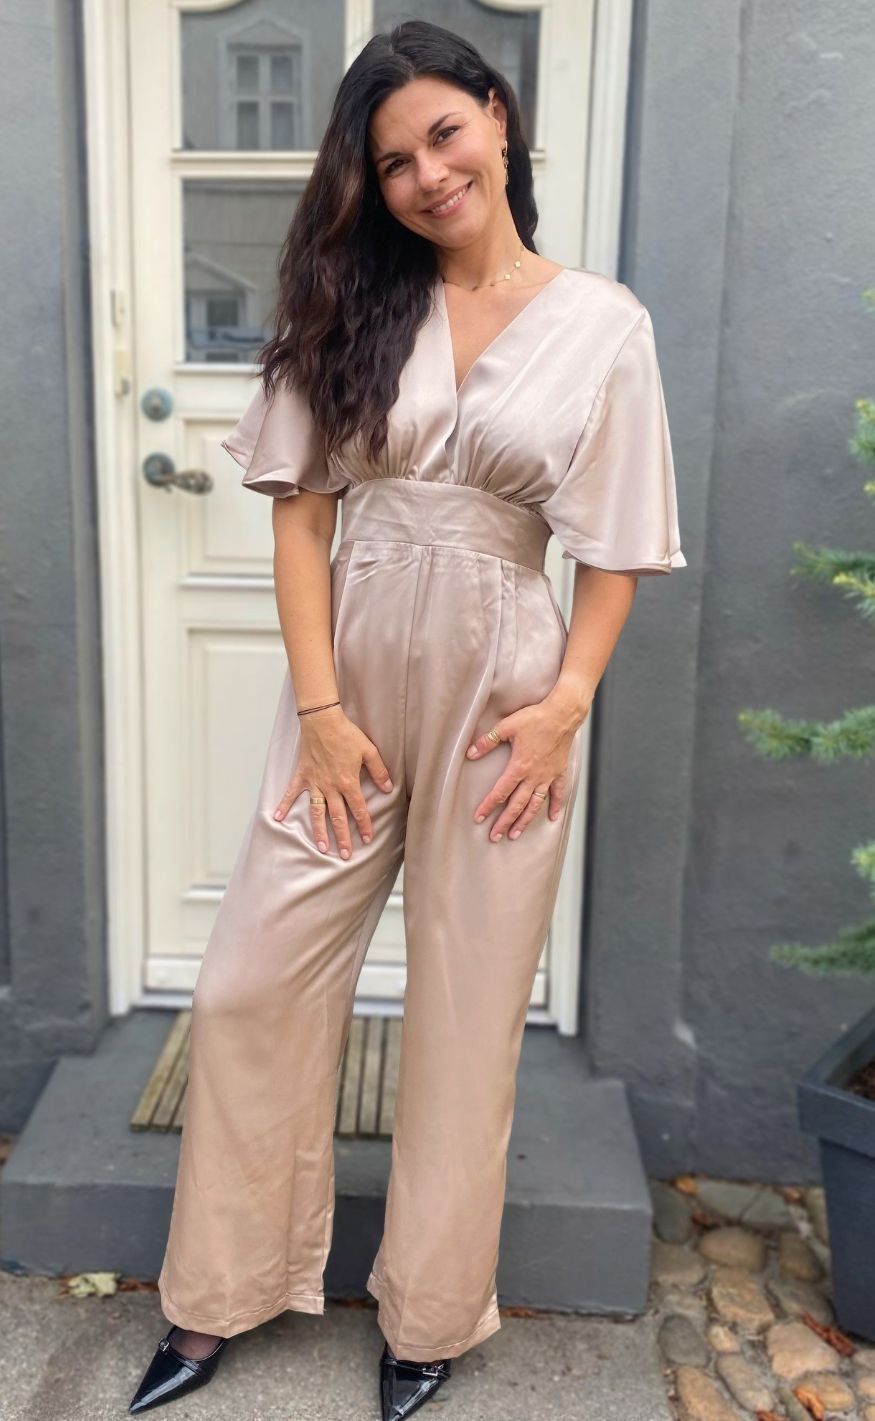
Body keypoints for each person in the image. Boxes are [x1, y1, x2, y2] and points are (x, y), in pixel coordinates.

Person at [128, 17, 685, 1420]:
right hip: (353, 691)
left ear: (497, 118)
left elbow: (616, 549)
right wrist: (319, 710)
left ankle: (427, 1316)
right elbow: (301, 523)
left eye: (444, 134)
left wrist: (564, 708)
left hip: (508, 699)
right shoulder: (354, 303)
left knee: (465, 1017)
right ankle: (216, 1292)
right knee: (249, 983)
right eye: (393, 162)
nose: (428, 175)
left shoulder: (603, 325)